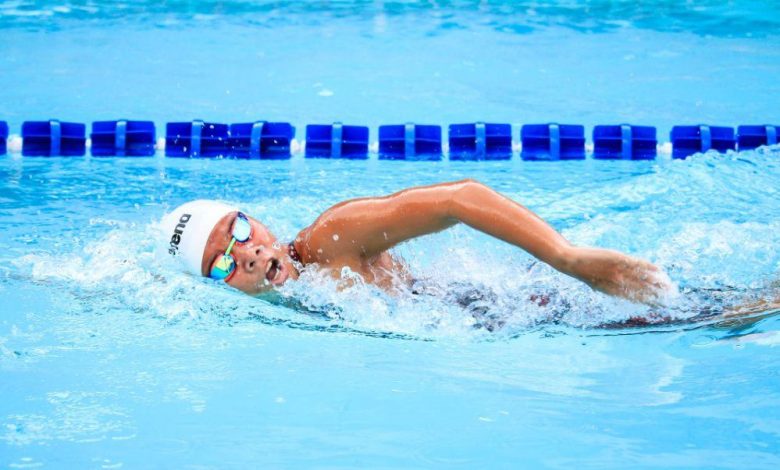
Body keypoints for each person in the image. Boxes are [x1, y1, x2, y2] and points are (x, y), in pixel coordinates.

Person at [161, 179, 676, 307]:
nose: (246, 253)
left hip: (512, 310)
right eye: (222, 261)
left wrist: (570, 260)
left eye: (241, 231)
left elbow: (460, 198)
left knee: (701, 313)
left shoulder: (330, 238)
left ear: (261, 225)